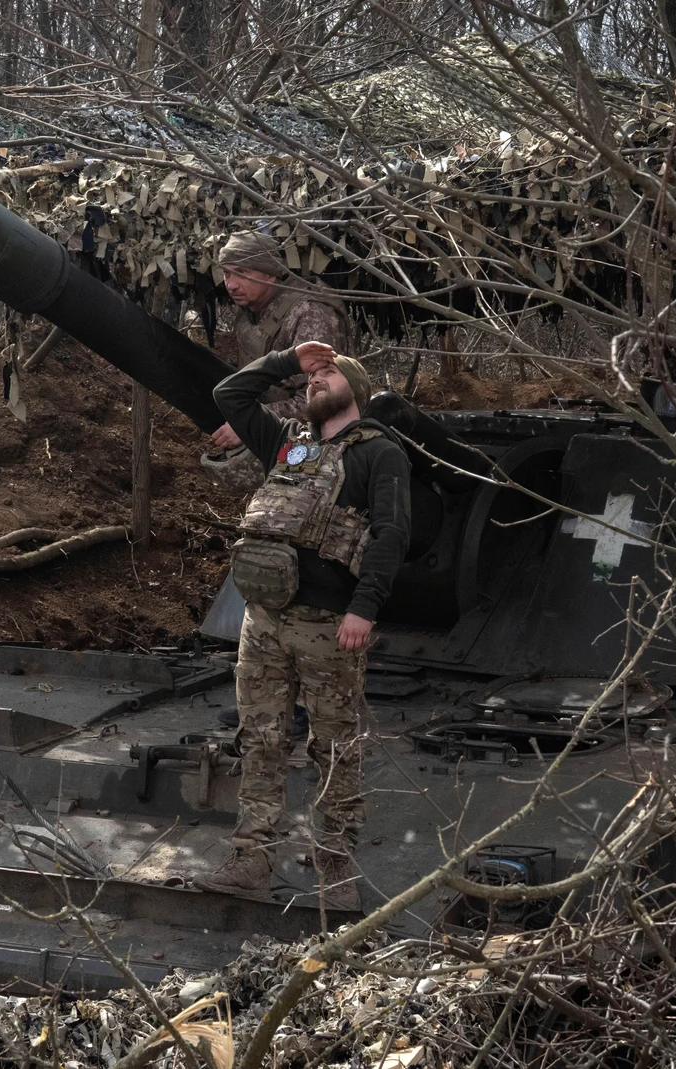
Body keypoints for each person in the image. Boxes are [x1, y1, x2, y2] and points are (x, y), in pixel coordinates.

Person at [194, 340, 411, 912]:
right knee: (260, 741)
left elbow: (391, 535)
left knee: (334, 746)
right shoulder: (289, 445)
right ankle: (250, 861)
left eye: (329, 376)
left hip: (329, 625)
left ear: (357, 390)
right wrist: (291, 360)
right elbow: (228, 394)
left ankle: (335, 866)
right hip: (264, 621)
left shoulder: (379, 454)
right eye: (313, 379)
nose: (317, 383)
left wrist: (365, 608)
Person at [208, 232, 351, 453]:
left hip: (317, 447)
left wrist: (249, 422)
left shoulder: (310, 314)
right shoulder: (252, 310)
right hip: (273, 436)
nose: (231, 285)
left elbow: (321, 400)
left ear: (271, 274)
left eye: (242, 273)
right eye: (226, 273)